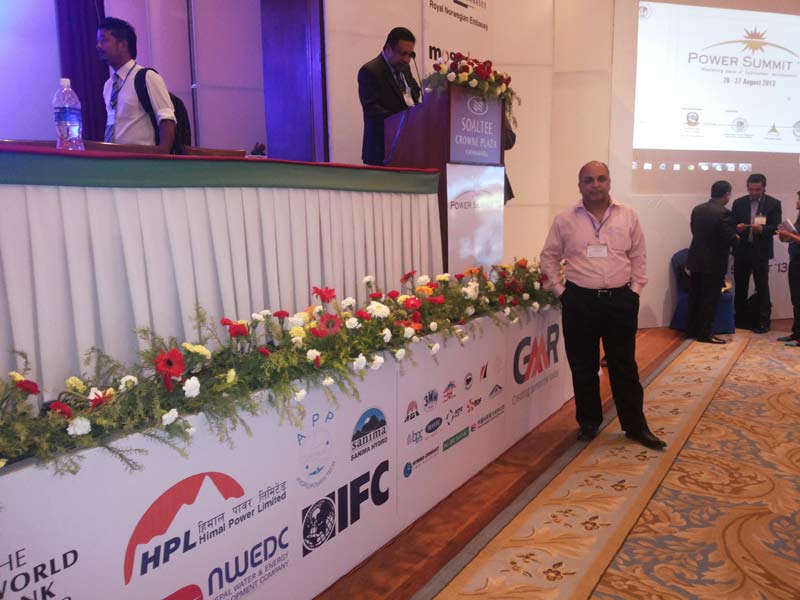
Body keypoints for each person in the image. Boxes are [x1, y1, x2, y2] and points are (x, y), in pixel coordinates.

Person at [540, 161, 666, 450]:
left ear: (609, 182)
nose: (595, 185)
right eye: (588, 180)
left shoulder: (628, 215)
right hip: (579, 302)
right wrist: (559, 291)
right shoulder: (564, 219)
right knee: (583, 366)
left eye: (601, 179)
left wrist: (635, 291)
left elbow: (639, 255)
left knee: (624, 366)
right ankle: (588, 422)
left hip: (620, 301)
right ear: (579, 185)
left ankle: (635, 426)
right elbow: (549, 257)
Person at [96, 17, 176, 153]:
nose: (98, 46)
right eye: (98, 41)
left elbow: (167, 119)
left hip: (142, 160)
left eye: (104, 40)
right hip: (113, 160)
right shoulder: (108, 85)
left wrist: (163, 157)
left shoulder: (147, 77)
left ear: (123, 45)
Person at [357, 27, 421, 166]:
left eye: (410, 54)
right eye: (403, 53)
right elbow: (372, 109)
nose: (407, 59)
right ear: (388, 48)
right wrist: (402, 121)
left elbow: (414, 92)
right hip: (381, 150)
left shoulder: (404, 68)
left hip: (406, 147)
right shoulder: (370, 71)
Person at [686, 180, 738, 344]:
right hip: (714, 263)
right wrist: (737, 236)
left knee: (695, 297)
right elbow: (729, 238)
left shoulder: (698, 209)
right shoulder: (725, 213)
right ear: (726, 195)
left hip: (696, 260)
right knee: (710, 299)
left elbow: (694, 230)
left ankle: (692, 330)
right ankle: (705, 333)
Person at [730, 173, 781, 333]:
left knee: (762, 287)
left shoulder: (773, 203)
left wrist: (763, 229)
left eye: (757, 190)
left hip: (760, 252)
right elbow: (731, 224)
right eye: (751, 189)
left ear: (764, 188)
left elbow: (776, 228)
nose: (754, 193)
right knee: (741, 286)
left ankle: (764, 321)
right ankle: (739, 320)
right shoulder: (739, 203)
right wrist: (737, 228)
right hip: (742, 251)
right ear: (747, 188)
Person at [777, 190, 800, 344]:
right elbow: (793, 239)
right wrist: (784, 235)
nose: (797, 202)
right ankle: (796, 333)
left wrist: (791, 235)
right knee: (796, 299)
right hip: (795, 260)